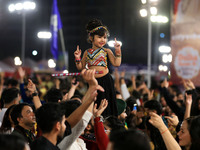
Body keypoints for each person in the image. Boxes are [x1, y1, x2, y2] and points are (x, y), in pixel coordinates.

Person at [74, 18, 122, 117]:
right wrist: (77, 58)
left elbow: (116, 63)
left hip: (106, 80)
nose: (103, 40)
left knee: (106, 106)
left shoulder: (106, 51)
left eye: (104, 38)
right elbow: (80, 67)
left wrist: (118, 51)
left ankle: (107, 124)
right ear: (91, 38)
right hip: (92, 82)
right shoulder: (87, 52)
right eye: (100, 37)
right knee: (93, 104)